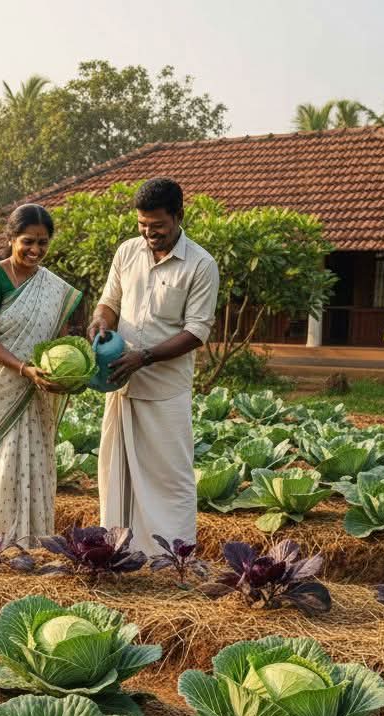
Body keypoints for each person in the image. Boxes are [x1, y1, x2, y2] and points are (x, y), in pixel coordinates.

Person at [87, 177, 219, 555]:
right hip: (121, 383)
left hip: (165, 390)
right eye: (142, 225)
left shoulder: (200, 265)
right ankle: (121, 552)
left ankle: (173, 557)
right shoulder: (127, 252)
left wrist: (143, 357)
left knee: (170, 479)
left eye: (157, 226)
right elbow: (109, 301)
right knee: (117, 475)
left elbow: (196, 331)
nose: (149, 234)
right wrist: (101, 321)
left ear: (178, 216)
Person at [0, 203, 82, 556]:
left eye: (43, 243)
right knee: (1, 462)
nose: (35, 250)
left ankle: (30, 546)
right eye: (28, 241)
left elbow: (56, 340)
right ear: (11, 238)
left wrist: (63, 372)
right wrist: (23, 368)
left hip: (35, 388)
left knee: (34, 463)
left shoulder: (51, 287)